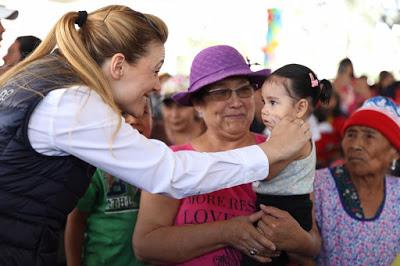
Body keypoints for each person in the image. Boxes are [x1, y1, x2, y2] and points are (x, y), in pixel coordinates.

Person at [0, 5, 310, 265]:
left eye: (244, 90)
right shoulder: (73, 102)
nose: (157, 85)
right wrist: (269, 153)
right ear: (119, 65)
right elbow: (168, 174)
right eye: (154, 69)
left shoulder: (48, 82)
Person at [134, 44, 280, 265]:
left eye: (243, 89)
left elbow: (313, 243)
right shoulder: (172, 162)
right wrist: (226, 232)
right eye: (221, 92)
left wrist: (295, 237)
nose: (236, 102)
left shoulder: (277, 152)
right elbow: (145, 246)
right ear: (198, 104)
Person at [243, 64, 332, 265]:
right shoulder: (286, 133)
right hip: (280, 204)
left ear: (300, 107)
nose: (264, 110)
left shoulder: (294, 136)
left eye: (273, 103)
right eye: (264, 102)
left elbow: (266, 171)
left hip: (288, 208)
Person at [313, 96, 400, 265]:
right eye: (351, 135)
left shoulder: (398, 193)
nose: (356, 145)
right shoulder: (318, 186)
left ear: (394, 151)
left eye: (369, 136)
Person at [65, 102, 152, 266]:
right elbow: (76, 222)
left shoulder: (158, 165)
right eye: (123, 114)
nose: (133, 120)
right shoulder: (95, 167)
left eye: (144, 112)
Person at [160, 74, 205, 145]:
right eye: (168, 106)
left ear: (195, 106)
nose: (174, 115)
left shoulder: (211, 130)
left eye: (181, 106)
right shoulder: (154, 135)